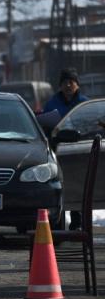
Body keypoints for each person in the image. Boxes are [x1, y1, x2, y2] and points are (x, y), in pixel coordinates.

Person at [43, 68, 89, 231]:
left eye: (71, 82)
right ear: (60, 85)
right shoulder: (52, 103)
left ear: (77, 84)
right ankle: (58, 221)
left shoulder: (84, 103)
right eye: (65, 82)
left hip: (80, 150)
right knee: (60, 184)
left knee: (79, 185)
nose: (68, 85)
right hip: (58, 150)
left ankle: (78, 221)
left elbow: (90, 125)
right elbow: (45, 125)